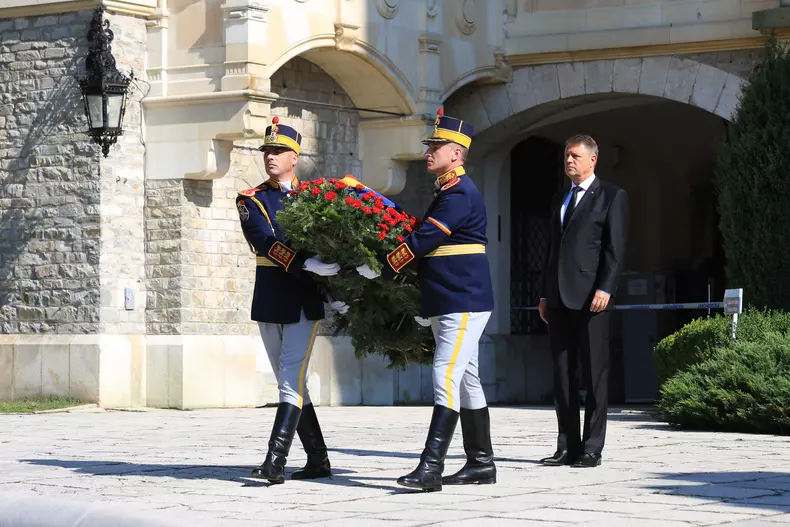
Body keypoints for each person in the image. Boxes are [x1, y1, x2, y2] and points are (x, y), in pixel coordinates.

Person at [356, 108, 495, 491]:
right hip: (449, 296)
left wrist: (383, 266)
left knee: (445, 375)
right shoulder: (447, 191)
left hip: (461, 297)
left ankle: (431, 467)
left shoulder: (459, 193)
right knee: (466, 379)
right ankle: (481, 463)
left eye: (436, 146)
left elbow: (425, 239)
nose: (428, 151)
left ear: (457, 153)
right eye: (429, 145)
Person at [236, 116, 349, 484]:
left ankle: (275, 462)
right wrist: (305, 263)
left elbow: (333, 246)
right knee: (292, 382)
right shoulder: (252, 199)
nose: (270, 156)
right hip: (271, 297)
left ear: (294, 157)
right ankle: (318, 459)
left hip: (303, 298)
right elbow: (263, 240)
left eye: (279, 150)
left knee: (289, 379)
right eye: (267, 151)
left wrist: (335, 292)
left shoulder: (314, 199)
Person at [538, 134, 628, 468]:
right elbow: (552, 251)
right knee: (562, 374)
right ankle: (567, 446)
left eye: (575, 156)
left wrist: (605, 288)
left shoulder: (611, 196)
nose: (569, 161)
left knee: (594, 374)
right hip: (559, 298)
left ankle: (592, 448)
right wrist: (545, 294)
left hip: (592, 298)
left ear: (593, 159)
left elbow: (615, 249)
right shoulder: (560, 198)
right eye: (566, 155)